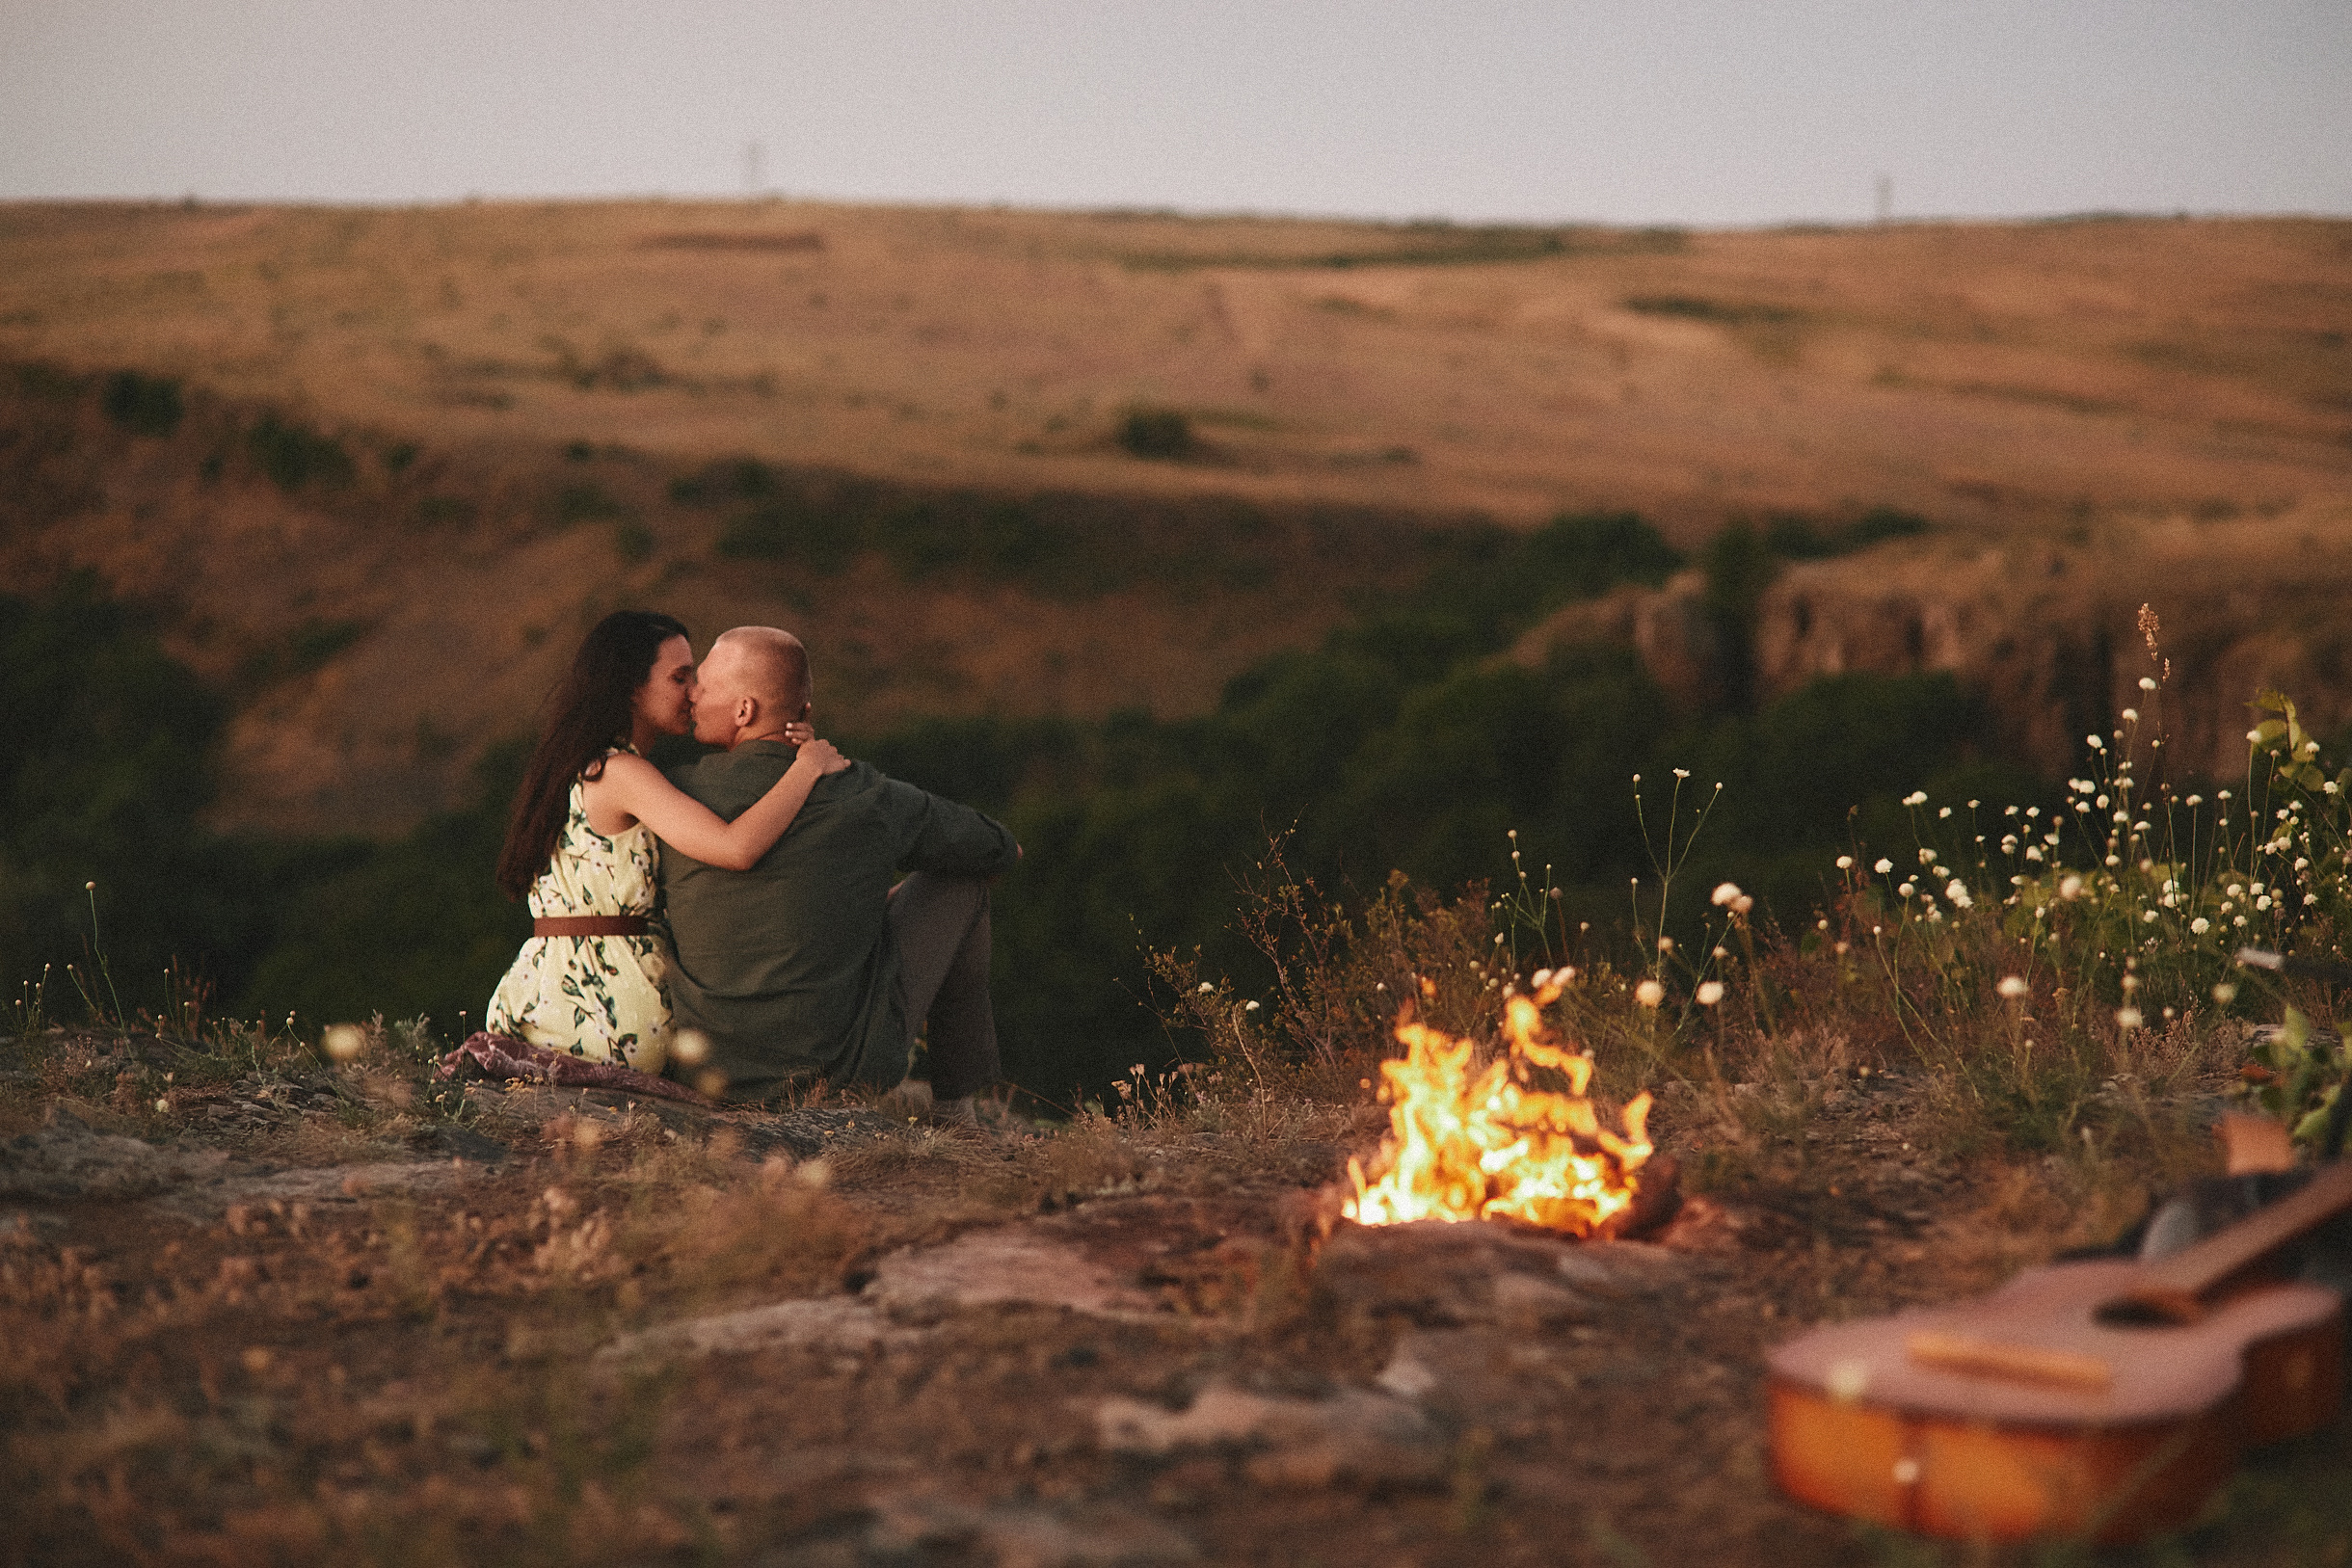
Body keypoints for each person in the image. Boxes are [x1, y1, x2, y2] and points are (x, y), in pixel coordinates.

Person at [659, 625, 1019, 1118]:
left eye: (701, 681)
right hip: (837, 1074)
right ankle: (957, 1106)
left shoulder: (676, 796)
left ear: (744, 712)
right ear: (803, 715)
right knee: (963, 879)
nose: (692, 693)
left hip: (709, 1071)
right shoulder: (866, 795)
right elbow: (1001, 851)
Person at [483, 611, 848, 1073]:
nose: (694, 691)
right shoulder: (621, 773)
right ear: (631, 687)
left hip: (539, 994)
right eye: (680, 677)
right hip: (610, 1009)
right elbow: (736, 849)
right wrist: (806, 769)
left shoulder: (580, 767)